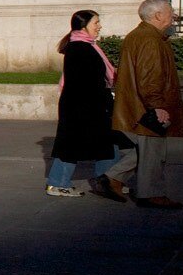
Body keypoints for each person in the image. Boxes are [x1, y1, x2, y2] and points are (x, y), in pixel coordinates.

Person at [105, 0, 183, 209]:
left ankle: (112, 177)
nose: (174, 16)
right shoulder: (150, 39)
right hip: (147, 108)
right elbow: (149, 76)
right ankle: (151, 193)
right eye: (170, 12)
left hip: (138, 105)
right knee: (154, 152)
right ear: (158, 15)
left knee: (148, 151)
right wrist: (157, 105)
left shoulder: (141, 35)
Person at [46, 10, 128, 199]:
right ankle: (58, 183)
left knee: (106, 143)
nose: (99, 26)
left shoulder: (85, 46)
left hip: (88, 105)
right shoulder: (81, 48)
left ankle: (108, 180)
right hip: (82, 107)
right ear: (84, 27)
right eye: (96, 23)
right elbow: (86, 81)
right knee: (71, 146)